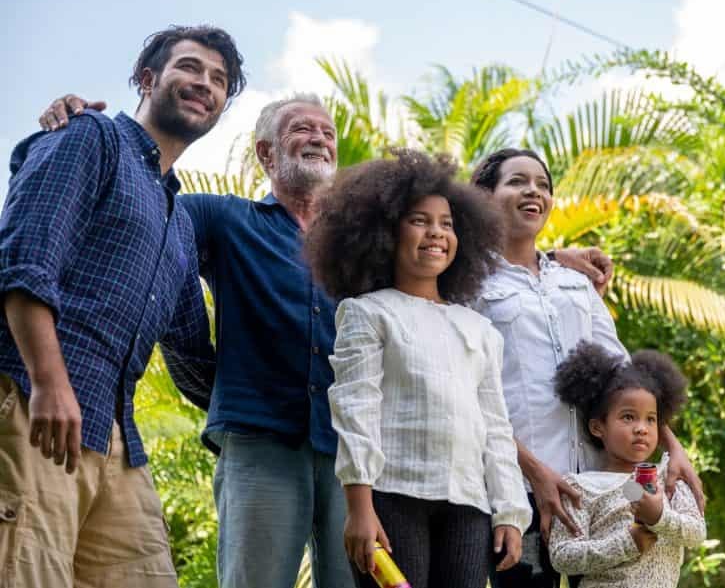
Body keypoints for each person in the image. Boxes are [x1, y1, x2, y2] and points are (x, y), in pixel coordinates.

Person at [34, 97, 609, 588]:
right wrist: (82, 127)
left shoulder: (369, 248)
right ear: (266, 153)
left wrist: (549, 259)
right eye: (299, 129)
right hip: (262, 440)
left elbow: (441, 257)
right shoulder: (224, 220)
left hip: (354, 459)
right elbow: (141, 204)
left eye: (327, 132)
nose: (318, 139)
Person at [0, 25, 244, 587]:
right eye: (189, 68)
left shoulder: (178, 222)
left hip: (116, 437)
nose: (204, 84)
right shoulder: (90, 137)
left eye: (219, 80)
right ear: (147, 78)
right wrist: (48, 380)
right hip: (36, 403)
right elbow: (24, 260)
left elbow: (192, 353)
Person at [470, 148, 705, 588]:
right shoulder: (471, 284)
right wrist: (536, 474)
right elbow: (470, 397)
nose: (533, 192)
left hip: (601, 490)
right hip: (518, 487)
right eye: (517, 181)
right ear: (484, 196)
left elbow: (623, 377)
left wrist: (672, 445)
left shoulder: (576, 283)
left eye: (543, 185)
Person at [304, 149, 532, 588]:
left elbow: (496, 426)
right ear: (385, 233)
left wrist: (508, 510)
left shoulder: (480, 329)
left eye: (446, 223)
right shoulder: (367, 313)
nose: (436, 233)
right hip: (392, 497)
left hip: (469, 504)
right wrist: (359, 507)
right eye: (419, 220)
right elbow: (356, 409)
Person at [548, 342, 706, 587]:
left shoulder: (669, 478)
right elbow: (562, 556)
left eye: (651, 419)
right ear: (598, 427)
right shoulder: (580, 487)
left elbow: (696, 533)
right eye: (628, 417)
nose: (641, 428)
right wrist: (625, 543)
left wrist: (659, 517)